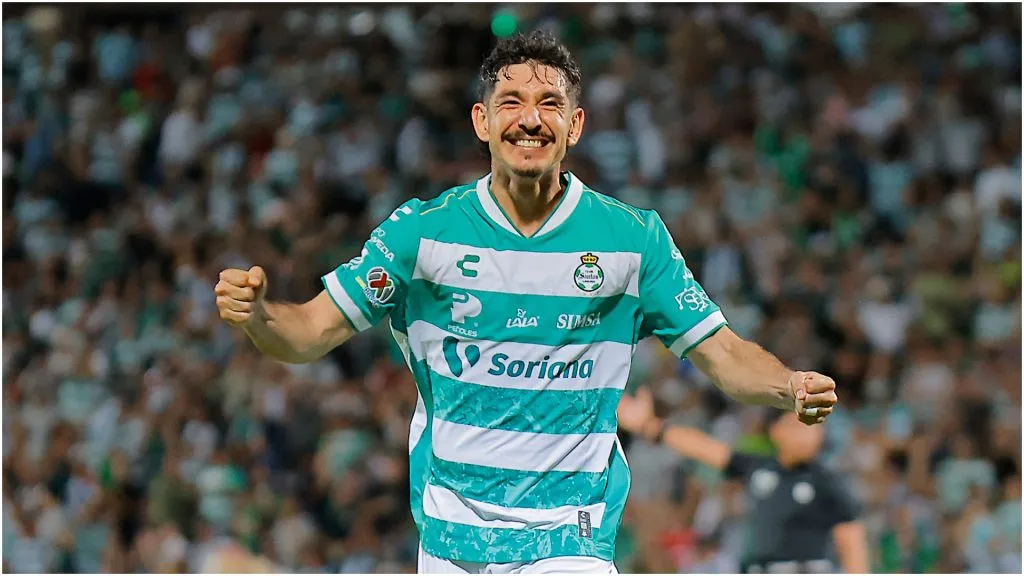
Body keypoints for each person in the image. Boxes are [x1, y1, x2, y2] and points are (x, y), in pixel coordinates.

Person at [214, 30, 839, 574]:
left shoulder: (631, 241)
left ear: (576, 124)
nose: (531, 119)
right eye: (511, 102)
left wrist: (788, 386)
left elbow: (725, 354)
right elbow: (308, 334)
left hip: (569, 537)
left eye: (550, 104)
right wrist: (262, 315)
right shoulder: (421, 234)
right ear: (483, 121)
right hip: (450, 538)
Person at [618, 389, 869, 573]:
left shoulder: (826, 482)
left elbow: (851, 542)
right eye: (798, 425)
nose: (809, 434)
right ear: (775, 431)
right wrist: (651, 427)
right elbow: (708, 450)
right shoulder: (759, 468)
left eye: (814, 427)